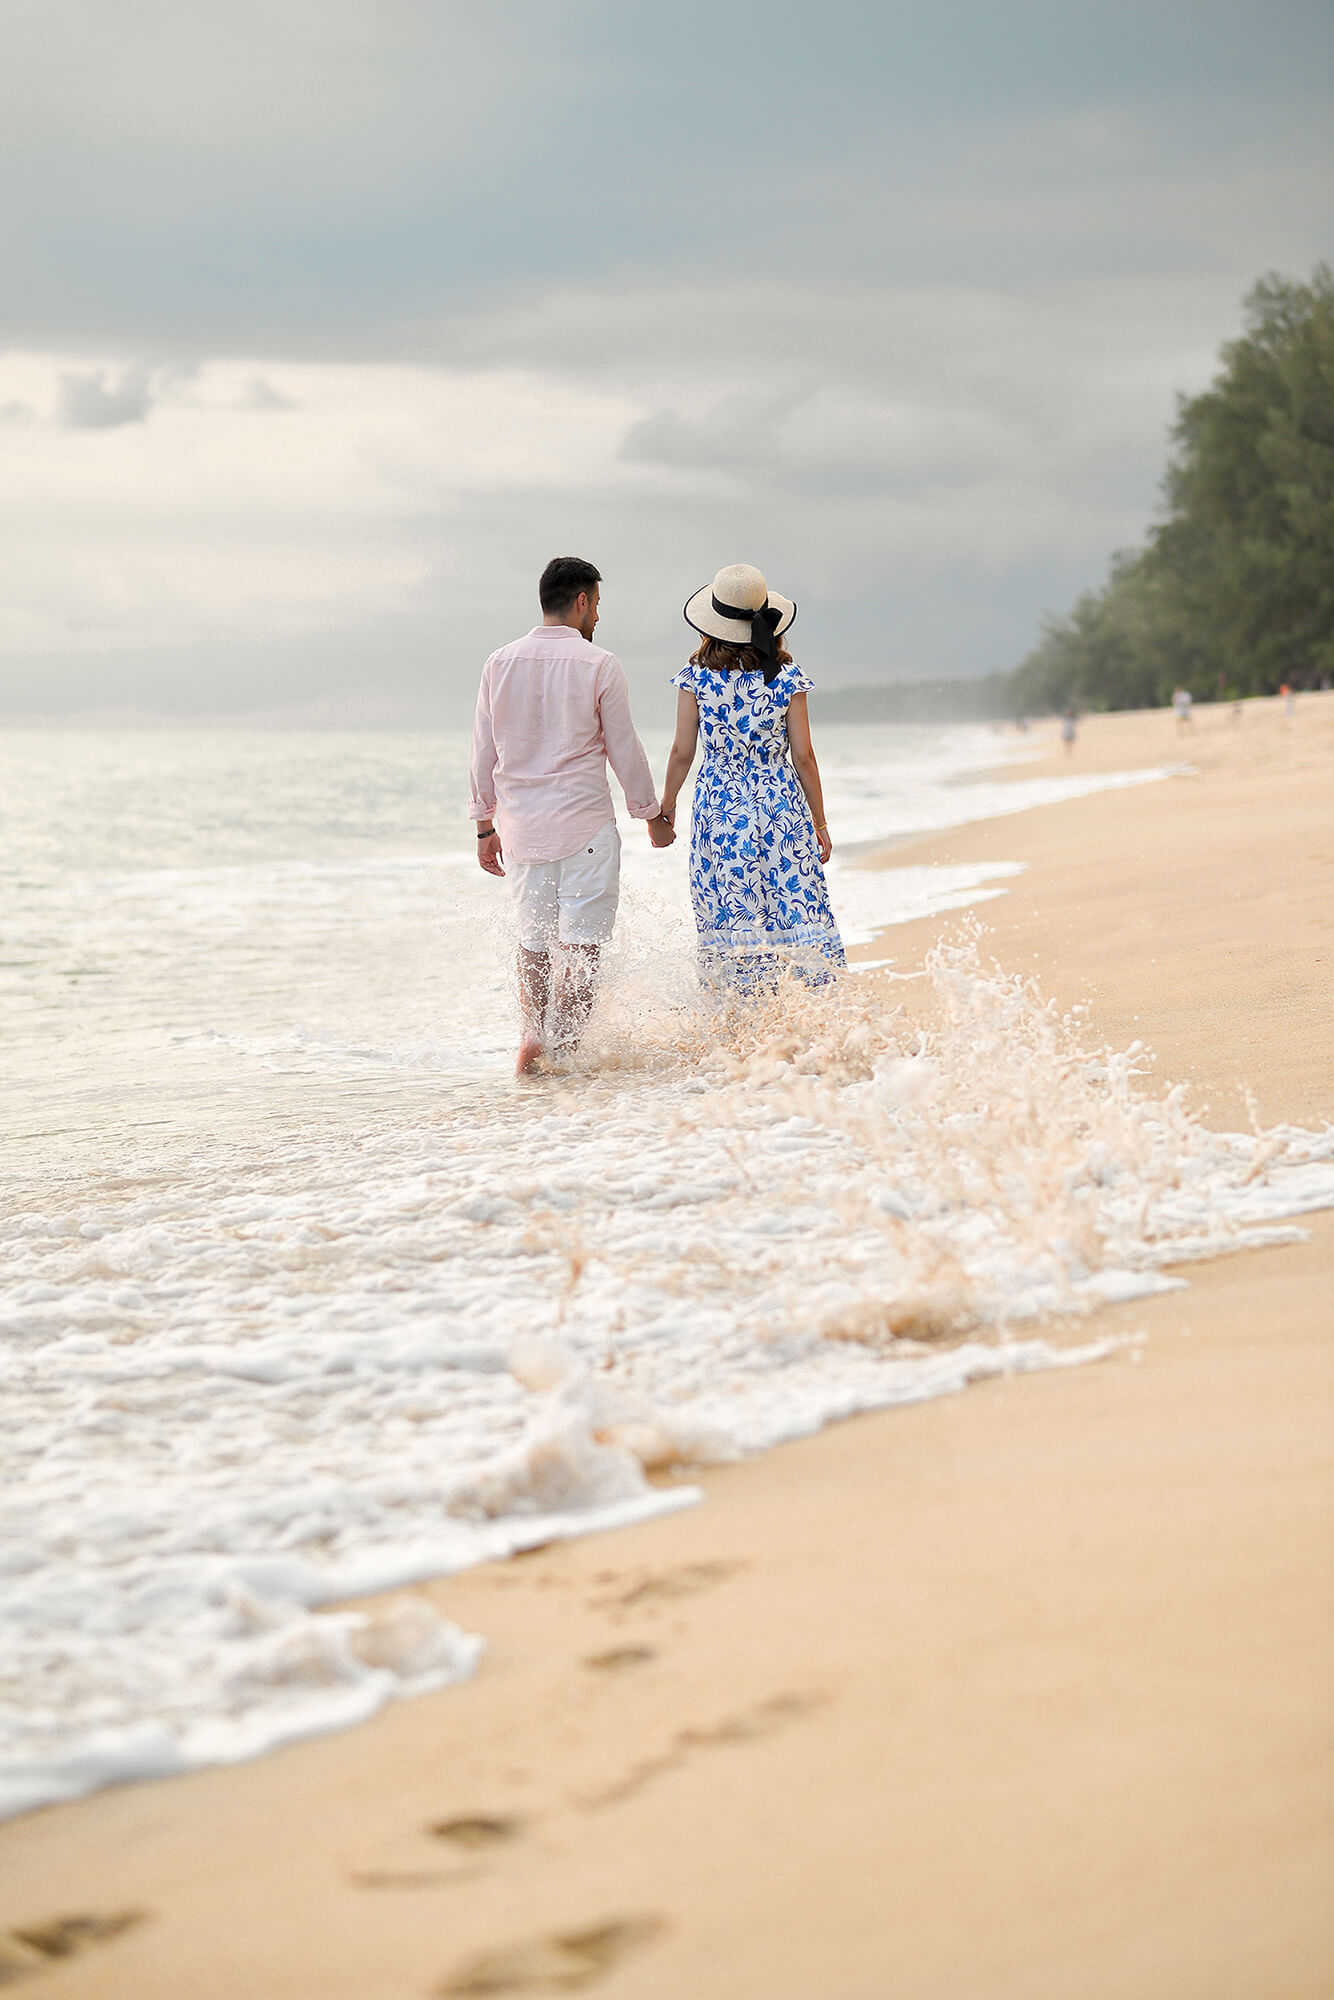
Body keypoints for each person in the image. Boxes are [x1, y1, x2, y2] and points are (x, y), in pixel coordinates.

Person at [469, 556, 673, 1077]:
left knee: (533, 944)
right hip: (584, 826)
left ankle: (531, 1042)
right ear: (581, 601)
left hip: (522, 831)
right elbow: (623, 746)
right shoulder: (600, 664)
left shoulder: (499, 662)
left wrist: (484, 825)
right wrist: (650, 814)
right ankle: (565, 1054)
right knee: (581, 949)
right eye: (597, 604)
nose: (598, 617)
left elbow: (483, 752)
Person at [656, 562, 845, 991]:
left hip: (720, 811)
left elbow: (682, 751)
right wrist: (819, 822)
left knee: (731, 910)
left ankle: (741, 1023)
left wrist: (665, 808)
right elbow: (804, 756)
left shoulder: (696, 676)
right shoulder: (786, 676)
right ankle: (808, 1011)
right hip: (781, 804)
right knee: (795, 907)